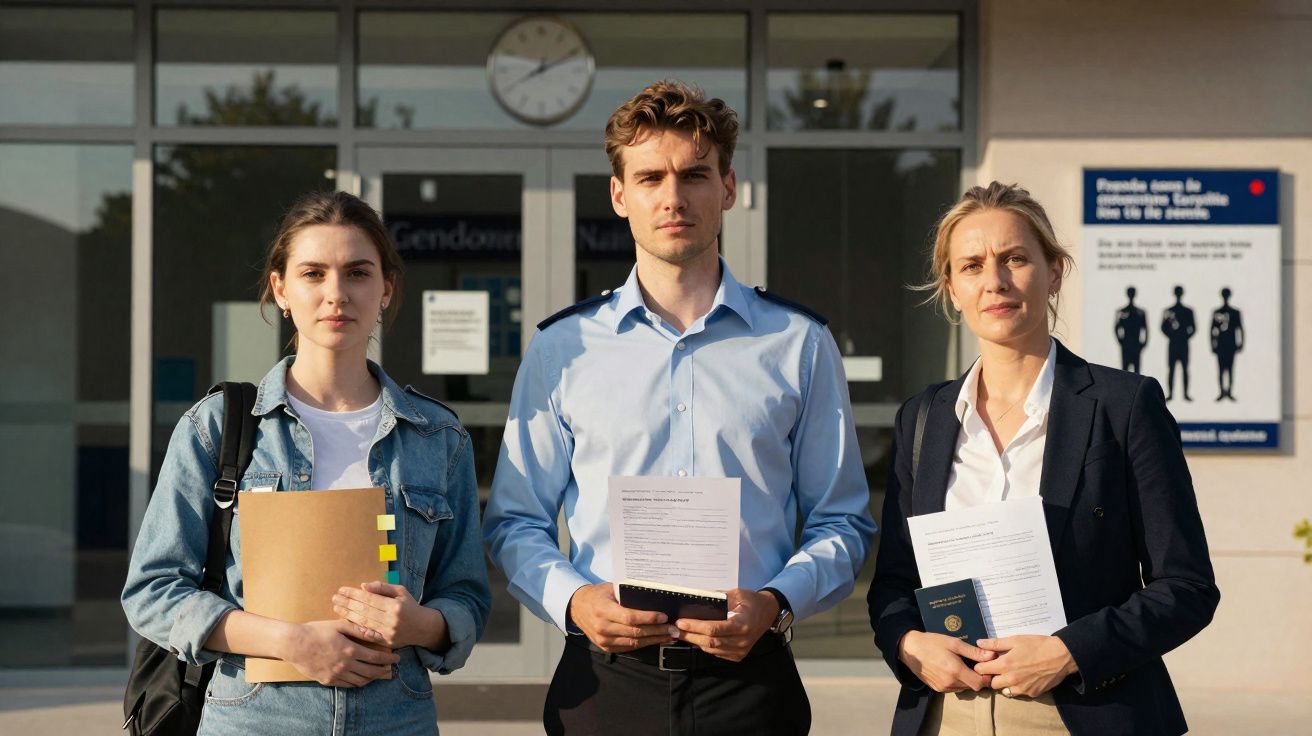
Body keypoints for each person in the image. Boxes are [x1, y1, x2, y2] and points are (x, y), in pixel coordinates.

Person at [482, 80, 876, 736]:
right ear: (619, 195)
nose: (672, 196)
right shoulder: (561, 348)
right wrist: (574, 601)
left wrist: (776, 602)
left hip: (751, 682)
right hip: (604, 683)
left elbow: (844, 523)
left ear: (728, 188)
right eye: (650, 177)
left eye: (694, 175)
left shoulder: (798, 343)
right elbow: (515, 522)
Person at [122, 191, 491, 735]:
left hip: (396, 718)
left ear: (386, 289)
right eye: (313, 273)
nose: (335, 294)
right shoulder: (219, 427)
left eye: (358, 273)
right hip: (253, 718)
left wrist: (423, 624)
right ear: (282, 289)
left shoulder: (438, 438)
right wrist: (291, 643)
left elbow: (466, 595)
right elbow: (152, 590)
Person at [867, 182, 1219, 736]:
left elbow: (1187, 587)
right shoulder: (924, 418)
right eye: (972, 266)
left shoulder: (1124, 406)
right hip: (947, 716)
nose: (995, 282)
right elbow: (893, 582)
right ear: (952, 289)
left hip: (1081, 714)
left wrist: (1069, 652)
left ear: (1053, 271)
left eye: (1015, 259)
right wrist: (910, 644)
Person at [1161, 285, 1196, 401]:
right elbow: (1163, 327)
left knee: (1185, 369)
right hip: (1174, 343)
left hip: (1183, 343)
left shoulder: (1188, 311)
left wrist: (1184, 336)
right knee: (1171, 369)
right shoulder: (1168, 311)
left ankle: (1185, 394)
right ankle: (1171, 394)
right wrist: (1172, 335)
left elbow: (1193, 327)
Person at [1210, 287, 1243, 401]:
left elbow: (1240, 328)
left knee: (1230, 369)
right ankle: (1221, 392)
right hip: (1221, 345)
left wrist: (1240, 343)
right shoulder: (1217, 312)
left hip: (1230, 345)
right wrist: (1213, 344)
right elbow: (1212, 330)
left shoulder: (1235, 312)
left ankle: (1229, 392)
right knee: (1221, 369)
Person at [1113, 286, 1147, 373]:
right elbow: (1116, 327)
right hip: (1127, 344)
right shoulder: (1122, 312)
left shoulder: (1141, 312)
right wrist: (1120, 341)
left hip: (1135, 344)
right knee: (1125, 371)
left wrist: (1144, 343)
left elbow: (1145, 329)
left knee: (1137, 372)